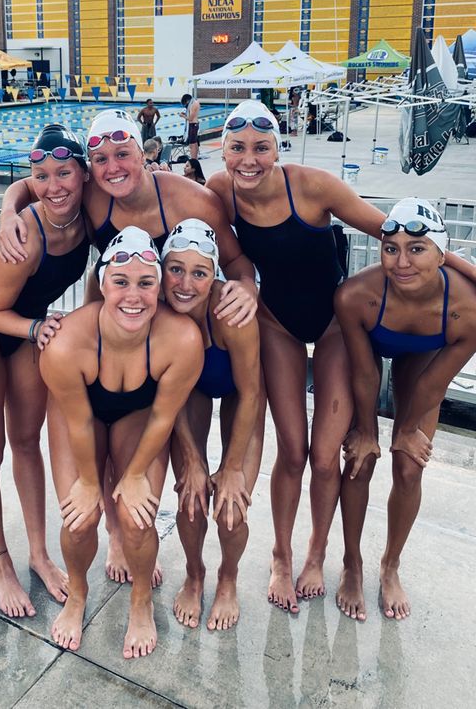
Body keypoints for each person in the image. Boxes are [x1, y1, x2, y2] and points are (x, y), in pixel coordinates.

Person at [207, 100, 476, 613]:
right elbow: (179, 219)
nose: (249, 160)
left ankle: (318, 552)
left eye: (261, 148)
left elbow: (395, 233)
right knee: (292, 449)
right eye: (237, 149)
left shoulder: (314, 187)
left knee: (327, 454)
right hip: (276, 323)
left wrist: (463, 266)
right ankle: (281, 556)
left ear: (277, 149)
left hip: (333, 322)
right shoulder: (220, 191)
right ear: (222, 152)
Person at [0, 108, 258, 584]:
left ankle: (207, 574)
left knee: (165, 456)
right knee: (119, 449)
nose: (112, 167)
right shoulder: (95, 194)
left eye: (123, 155)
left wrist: (249, 291)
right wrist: (8, 211)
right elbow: (37, 184)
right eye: (100, 159)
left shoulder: (190, 200)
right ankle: (119, 538)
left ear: (145, 154)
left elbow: (237, 262)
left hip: (179, 338)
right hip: (119, 328)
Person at [0, 125, 91, 618]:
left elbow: (22, 188)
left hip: (28, 328)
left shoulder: (89, 216)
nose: (53, 186)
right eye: (42, 176)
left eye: (64, 173)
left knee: (28, 443)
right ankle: (0, 562)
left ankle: (38, 553)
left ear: (83, 174)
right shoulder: (27, 235)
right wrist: (35, 329)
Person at [40, 228, 204, 657]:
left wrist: (132, 475)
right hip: (79, 416)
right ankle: (77, 595)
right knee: (78, 518)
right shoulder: (64, 345)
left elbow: (165, 415)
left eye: (146, 283)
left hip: (138, 414)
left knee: (136, 518)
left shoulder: (182, 339)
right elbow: (77, 423)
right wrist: (91, 484)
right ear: (101, 283)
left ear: (159, 287)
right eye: (121, 282)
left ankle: (141, 602)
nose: (134, 296)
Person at [334, 198, 476, 621]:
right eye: (390, 248)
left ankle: (390, 564)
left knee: (410, 465)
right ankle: (352, 564)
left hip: (426, 354)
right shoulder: (356, 295)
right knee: (359, 460)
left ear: (441, 253)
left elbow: (436, 382)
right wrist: (364, 429)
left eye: (416, 249)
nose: (401, 262)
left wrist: (408, 429)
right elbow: (364, 373)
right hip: (372, 341)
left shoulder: (466, 306)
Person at [161, 221, 262, 631]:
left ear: (214, 275)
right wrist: (193, 460)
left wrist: (233, 467)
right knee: (191, 495)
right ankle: (194, 572)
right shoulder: (160, 312)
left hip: (242, 394)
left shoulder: (229, 312)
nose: (185, 284)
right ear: (163, 268)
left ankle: (228, 577)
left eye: (199, 273)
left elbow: (252, 393)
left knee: (231, 510)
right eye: (176, 270)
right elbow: (171, 397)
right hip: (190, 393)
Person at [180, 93, 200, 160]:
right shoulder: (195, 102)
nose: (186, 105)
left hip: (193, 125)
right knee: (195, 142)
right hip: (195, 124)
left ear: (187, 101)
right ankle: (196, 158)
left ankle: (193, 159)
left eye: (185, 104)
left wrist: (183, 116)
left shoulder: (193, 105)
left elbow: (190, 118)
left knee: (192, 144)